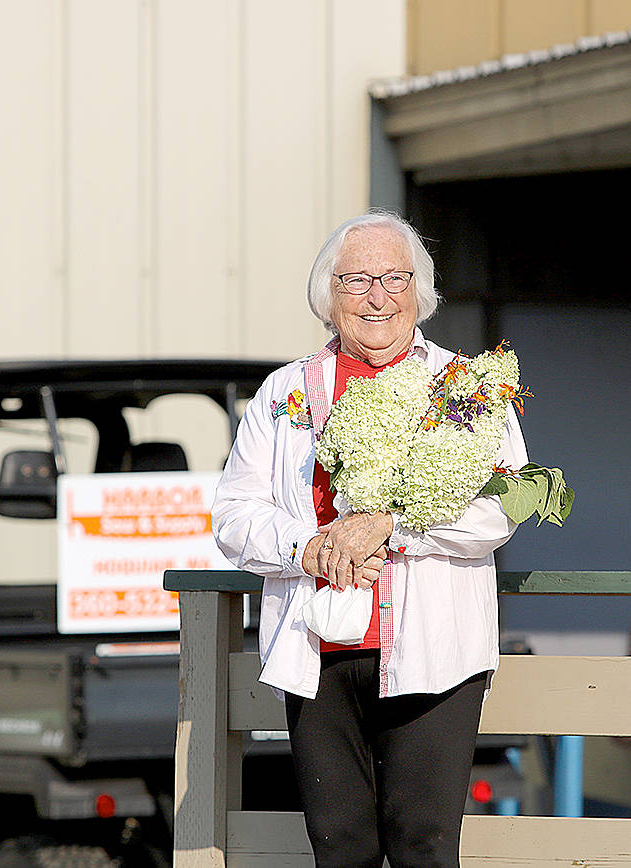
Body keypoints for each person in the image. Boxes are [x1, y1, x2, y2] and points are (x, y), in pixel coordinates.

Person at [212, 210, 528, 867]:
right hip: (317, 651)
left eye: (393, 278)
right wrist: (310, 546)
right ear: (328, 296)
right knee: (339, 847)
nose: (376, 297)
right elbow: (234, 516)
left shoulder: (466, 387)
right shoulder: (283, 393)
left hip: (434, 654)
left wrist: (392, 526)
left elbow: (501, 511)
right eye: (356, 280)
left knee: (425, 845)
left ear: (421, 291)